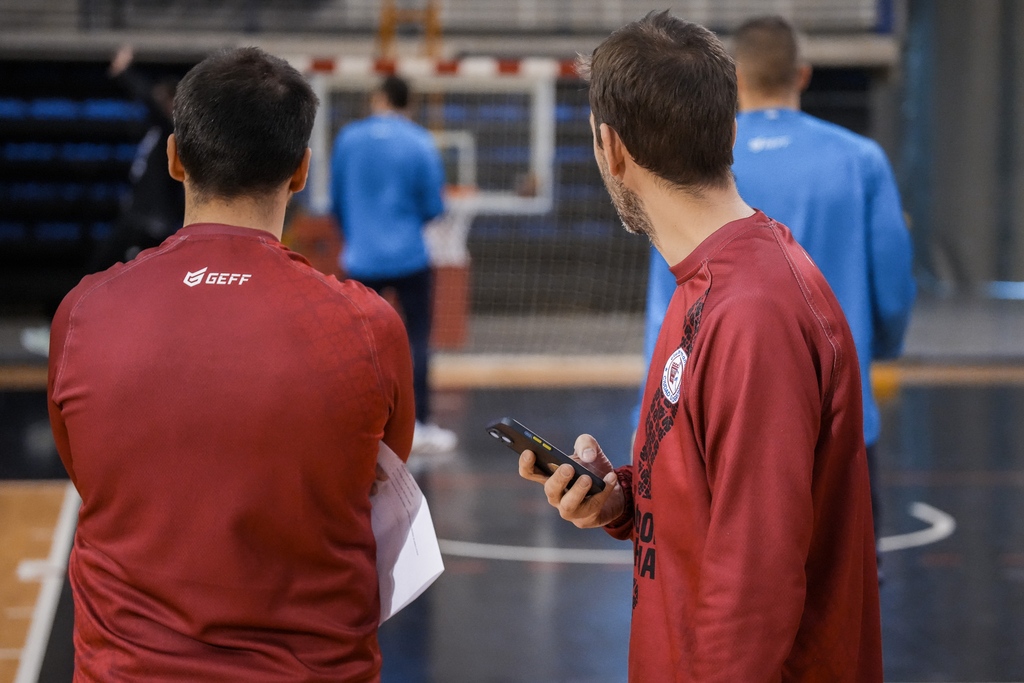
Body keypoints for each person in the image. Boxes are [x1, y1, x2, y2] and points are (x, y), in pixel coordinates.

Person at [518, 11, 882, 681]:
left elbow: (755, 593)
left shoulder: (753, 316)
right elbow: (721, 502)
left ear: (610, 148)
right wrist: (621, 499)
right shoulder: (709, 279)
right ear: (730, 130)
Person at [47, 47, 416, 681]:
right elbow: (380, 474)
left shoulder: (84, 313)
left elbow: (87, 469)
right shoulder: (369, 327)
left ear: (174, 159)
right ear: (300, 172)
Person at [638, 15, 916, 550]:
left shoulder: (698, 165)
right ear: (803, 74)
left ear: (733, 80)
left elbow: (666, 304)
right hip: (839, 419)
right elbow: (894, 290)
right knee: (845, 604)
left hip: (723, 426)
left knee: (734, 593)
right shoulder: (861, 160)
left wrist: (648, 419)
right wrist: (877, 350)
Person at [331, 75, 457, 454]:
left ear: (377, 98)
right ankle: (419, 425)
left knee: (356, 344)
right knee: (416, 340)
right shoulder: (420, 141)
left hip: (360, 257)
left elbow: (336, 201)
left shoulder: (348, 139)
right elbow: (435, 207)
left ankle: (354, 423)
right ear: (409, 103)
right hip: (409, 257)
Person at [89, 44, 185, 272]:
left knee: (106, 264)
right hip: (139, 215)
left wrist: (124, 72)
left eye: (163, 99)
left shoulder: (171, 131)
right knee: (106, 266)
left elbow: (149, 99)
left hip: (151, 220)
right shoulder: (155, 131)